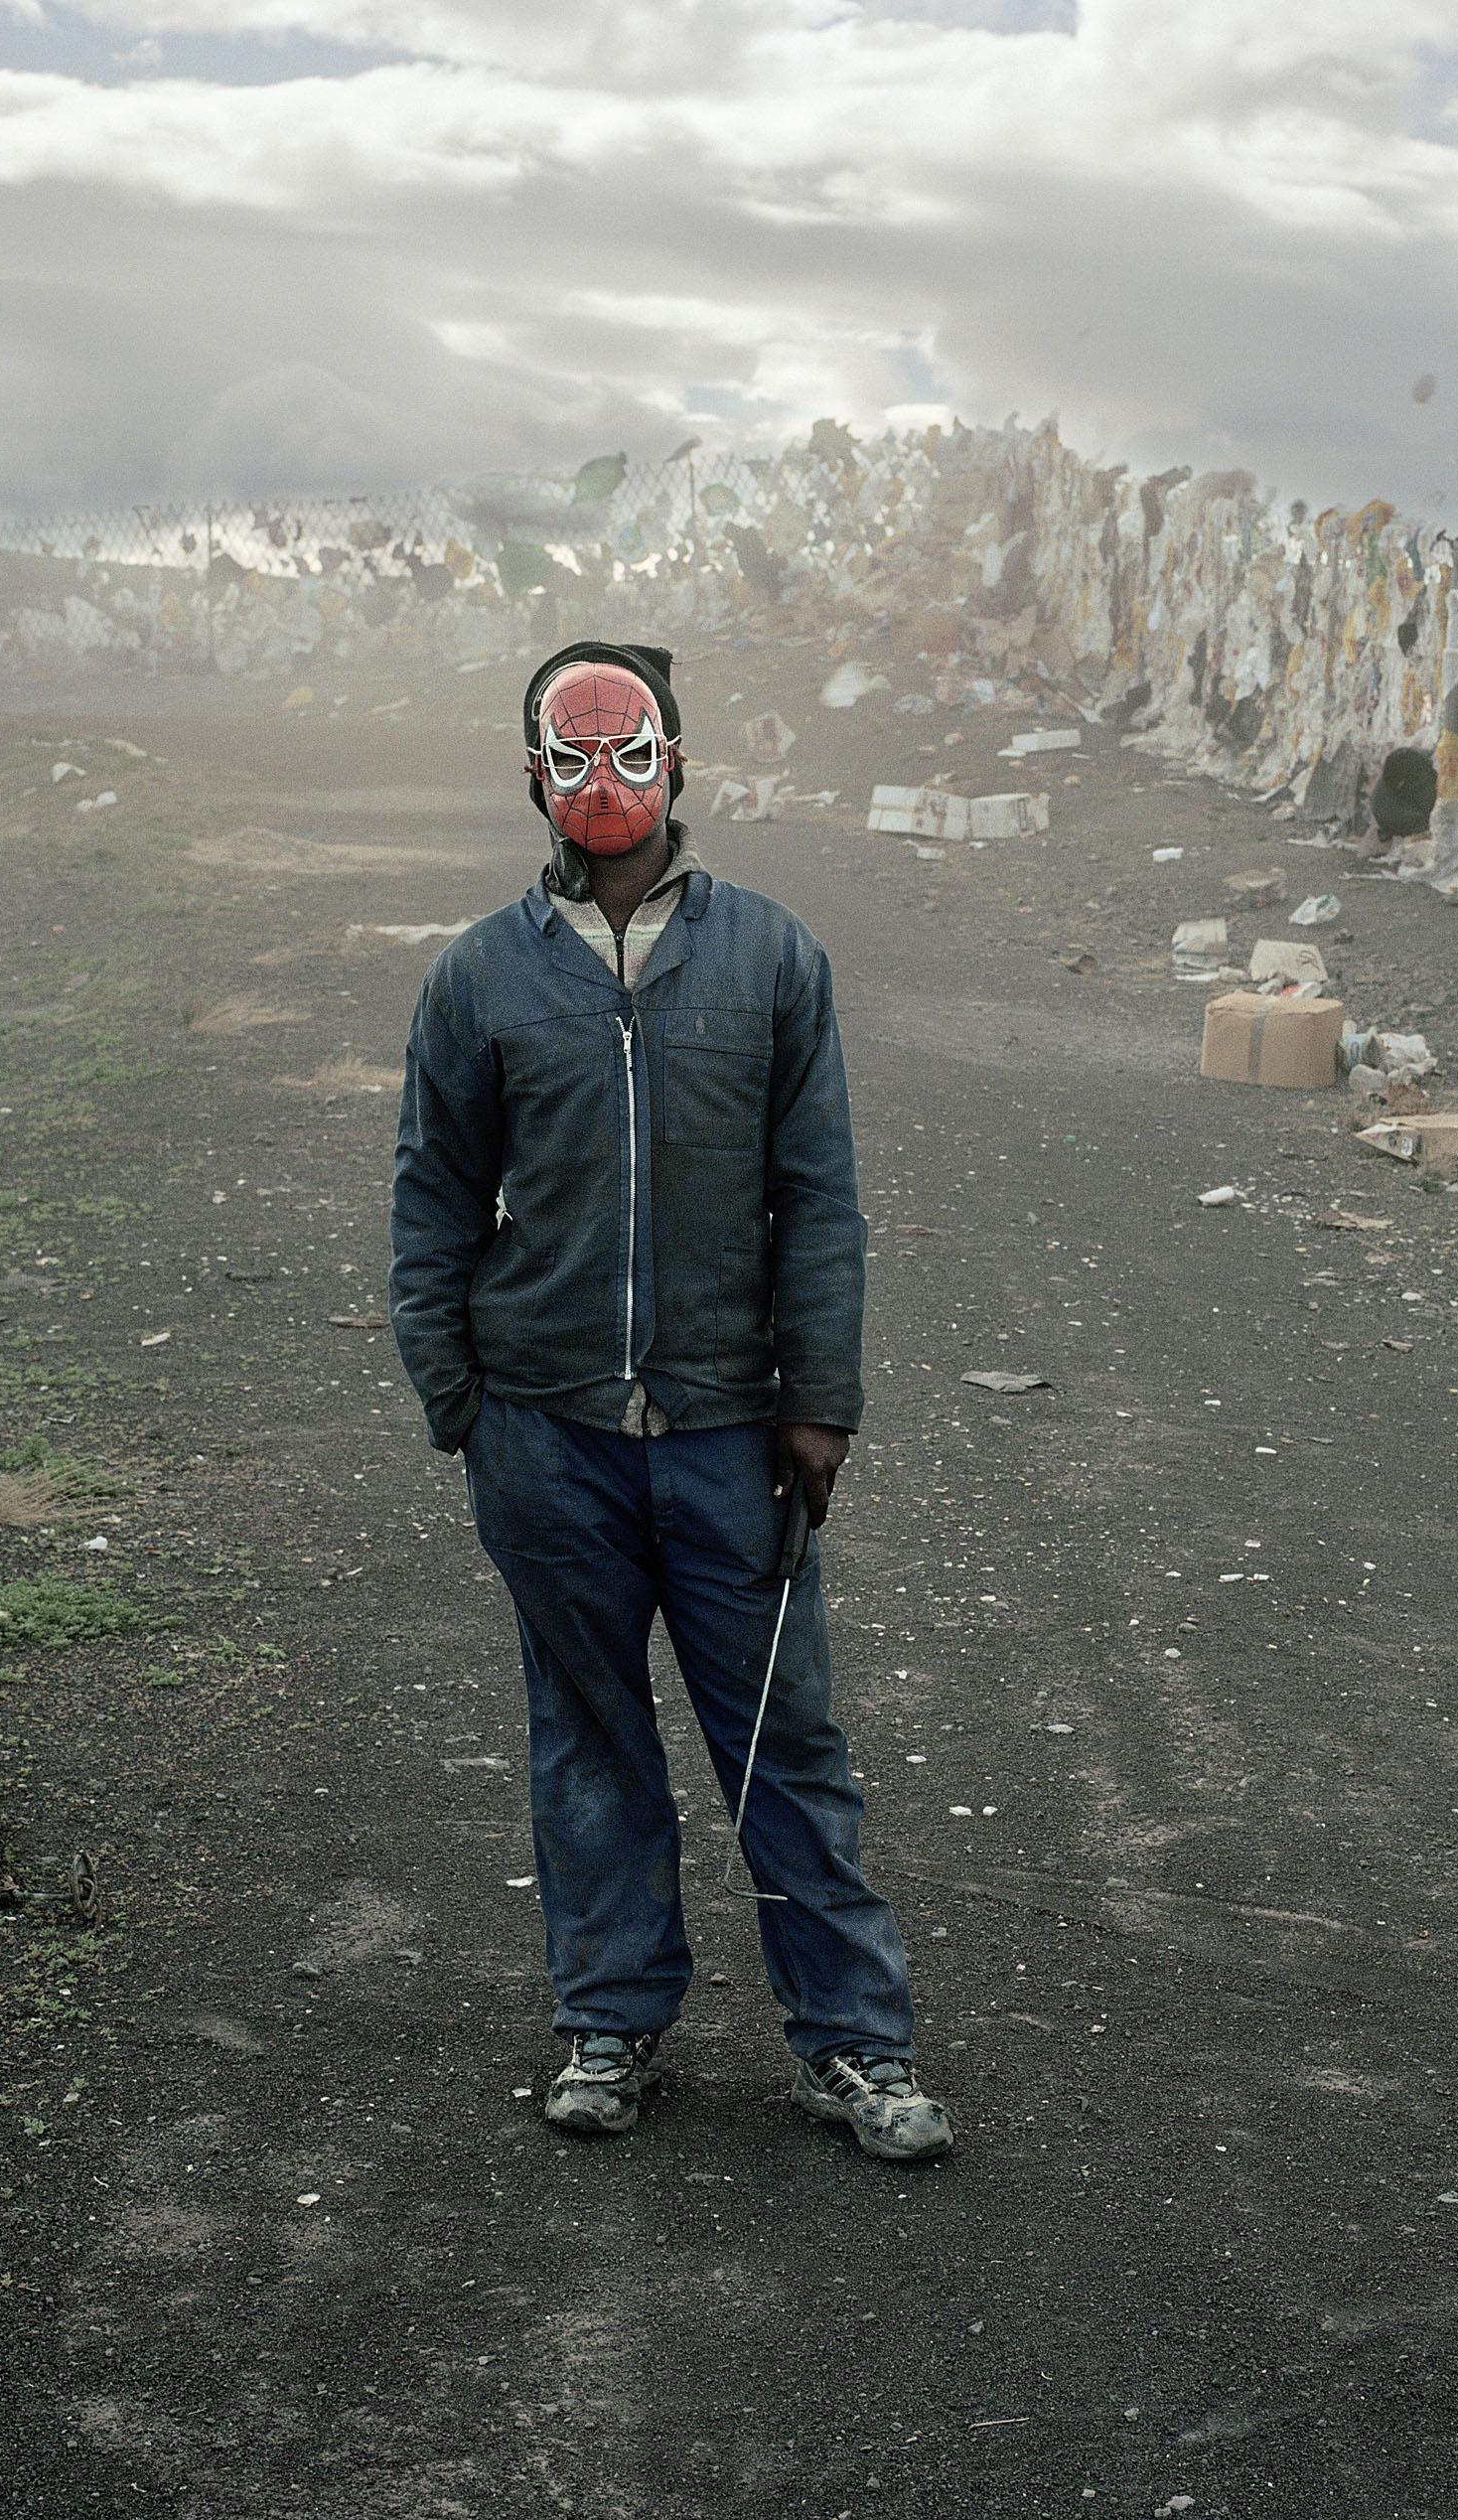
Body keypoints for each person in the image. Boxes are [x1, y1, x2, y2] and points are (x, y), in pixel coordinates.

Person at [387, 638, 950, 2165]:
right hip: (546, 1435)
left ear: (680, 761)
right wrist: (464, 1407)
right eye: (572, 758)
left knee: (784, 1740)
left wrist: (819, 1399)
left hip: (726, 1437)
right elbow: (431, 1200)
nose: (604, 783)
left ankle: (855, 2046)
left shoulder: (771, 960)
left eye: (631, 751)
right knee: (588, 1738)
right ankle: (611, 2022)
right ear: (532, 781)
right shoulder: (480, 976)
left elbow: (816, 1196)